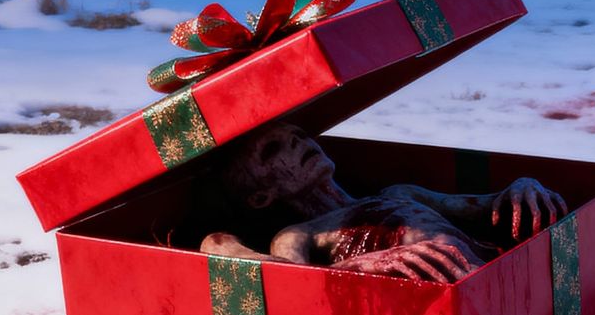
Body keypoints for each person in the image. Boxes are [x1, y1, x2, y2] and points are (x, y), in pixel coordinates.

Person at [198, 121, 568, 282]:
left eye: (299, 134)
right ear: (261, 196)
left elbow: (486, 207)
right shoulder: (297, 235)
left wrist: (523, 185)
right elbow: (296, 288)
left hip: (501, 269)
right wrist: (368, 264)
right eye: (274, 150)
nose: (299, 143)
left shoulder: (397, 194)